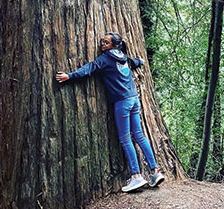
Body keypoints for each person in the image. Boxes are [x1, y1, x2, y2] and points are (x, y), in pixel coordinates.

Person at [55, 32, 165, 193]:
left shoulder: (106, 59)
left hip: (122, 102)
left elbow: (89, 69)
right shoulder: (123, 57)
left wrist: (69, 76)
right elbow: (133, 62)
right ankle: (155, 172)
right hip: (134, 99)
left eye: (106, 42)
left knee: (126, 138)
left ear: (114, 45)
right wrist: (140, 61)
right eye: (102, 42)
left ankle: (136, 176)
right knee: (139, 135)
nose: (102, 44)